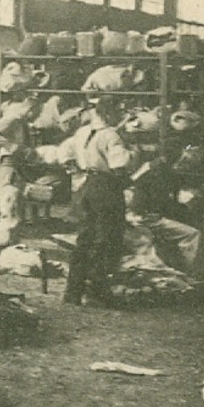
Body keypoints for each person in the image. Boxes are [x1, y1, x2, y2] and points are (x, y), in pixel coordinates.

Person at [63, 95, 138, 307]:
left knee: (84, 238)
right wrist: (132, 158)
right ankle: (98, 292)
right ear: (108, 113)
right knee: (108, 239)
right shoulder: (111, 135)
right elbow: (119, 166)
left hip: (86, 185)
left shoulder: (82, 131)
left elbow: (66, 154)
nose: (120, 116)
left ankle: (73, 291)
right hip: (106, 187)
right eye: (118, 112)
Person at [0, 92, 41, 259]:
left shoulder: (25, 123)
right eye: (37, 112)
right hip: (9, 169)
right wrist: (11, 146)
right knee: (9, 210)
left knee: (16, 211)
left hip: (17, 169)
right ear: (30, 108)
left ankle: (8, 253)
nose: (38, 116)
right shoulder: (14, 119)